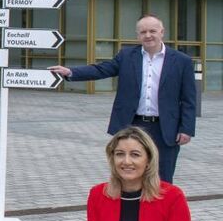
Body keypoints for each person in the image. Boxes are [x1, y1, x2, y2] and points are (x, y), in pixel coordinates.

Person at [51, 14, 196, 183]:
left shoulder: (181, 61)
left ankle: (159, 209)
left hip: (165, 128)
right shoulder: (127, 56)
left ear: (162, 32)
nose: (148, 35)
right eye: (143, 32)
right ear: (137, 35)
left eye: (152, 31)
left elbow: (188, 99)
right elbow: (101, 70)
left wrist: (186, 128)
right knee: (129, 175)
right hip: (132, 125)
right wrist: (71, 72)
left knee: (162, 178)